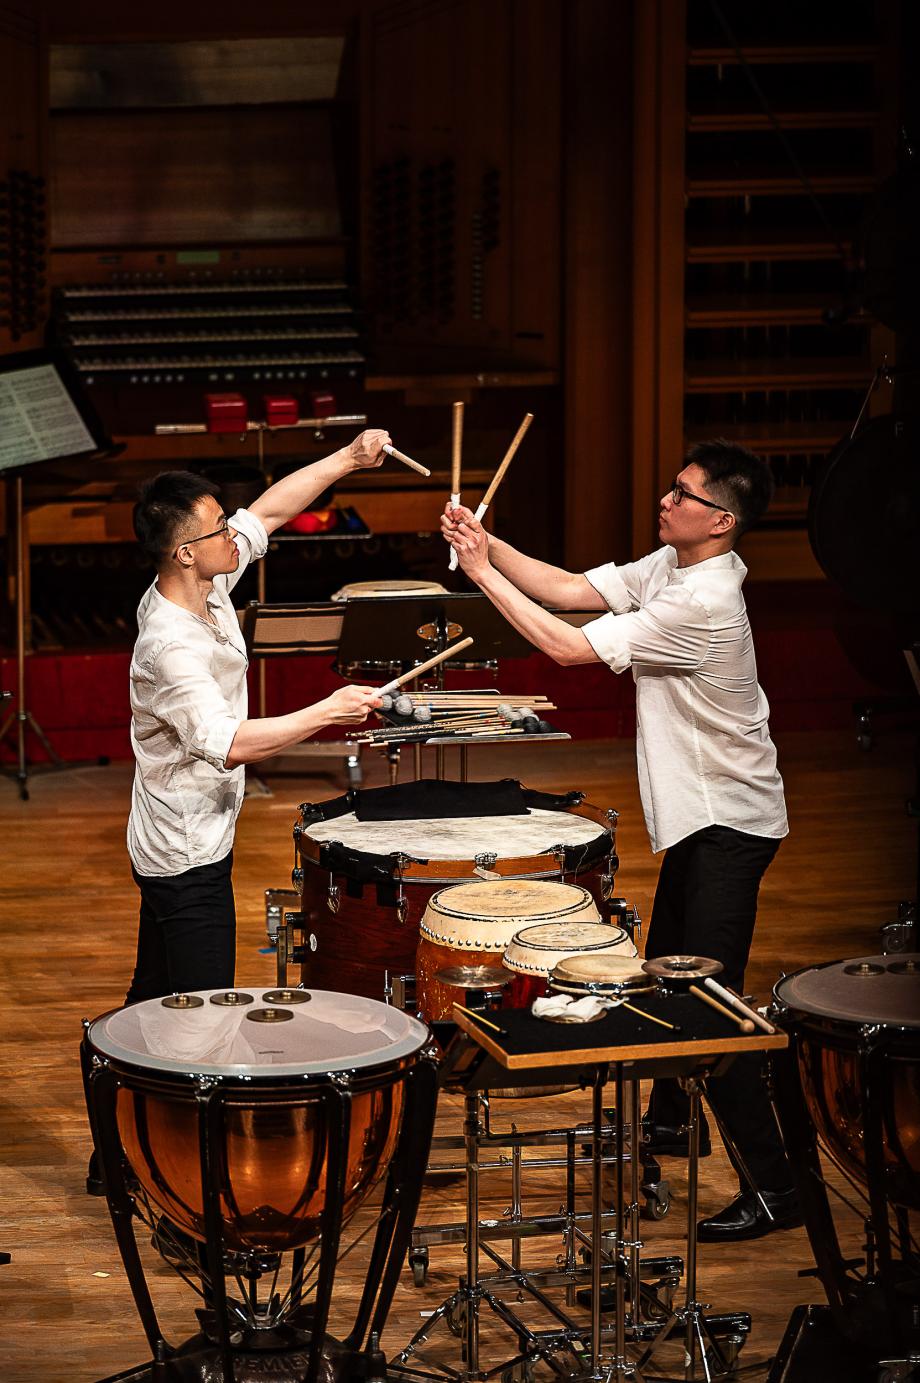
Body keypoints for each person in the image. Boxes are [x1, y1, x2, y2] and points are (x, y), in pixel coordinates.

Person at [441, 439, 800, 1243]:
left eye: (683, 493)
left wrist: (480, 572)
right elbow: (571, 591)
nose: (665, 500)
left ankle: (779, 1186)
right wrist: (487, 538)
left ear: (721, 519)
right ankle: (675, 1121)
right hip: (705, 819)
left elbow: (571, 648)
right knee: (668, 966)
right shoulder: (673, 566)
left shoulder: (705, 602)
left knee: (713, 1004)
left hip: (731, 823)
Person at [125, 428, 389, 1004]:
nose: (233, 532)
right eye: (219, 526)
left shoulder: (207, 581)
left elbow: (268, 512)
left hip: (193, 830)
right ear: (185, 551)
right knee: (199, 1009)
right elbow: (231, 744)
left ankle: (118, 1088)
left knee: (155, 995)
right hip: (183, 850)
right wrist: (328, 710)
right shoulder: (171, 647)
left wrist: (348, 458)